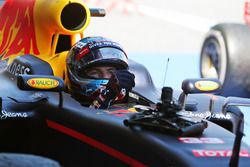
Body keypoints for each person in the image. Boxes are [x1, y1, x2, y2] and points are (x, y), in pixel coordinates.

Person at [66, 36, 135, 109]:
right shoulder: (63, 104)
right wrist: (106, 96)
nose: (105, 76)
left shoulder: (131, 99)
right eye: (94, 72)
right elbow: (88, 117)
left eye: (111, 72)